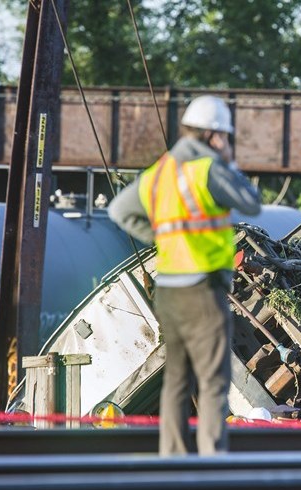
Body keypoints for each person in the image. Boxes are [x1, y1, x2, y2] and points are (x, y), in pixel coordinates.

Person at [109, 95, 261, 456]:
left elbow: (120, 210)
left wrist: (163, 238)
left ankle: (173, 456)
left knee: (178, 376)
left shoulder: (161, 170)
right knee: (212, 377)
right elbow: (252, 202)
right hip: (203, 287)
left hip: (170, 289)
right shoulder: (208, 167)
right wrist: (228, 163)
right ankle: (211, 459)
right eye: (224, 137)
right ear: (214, 135)